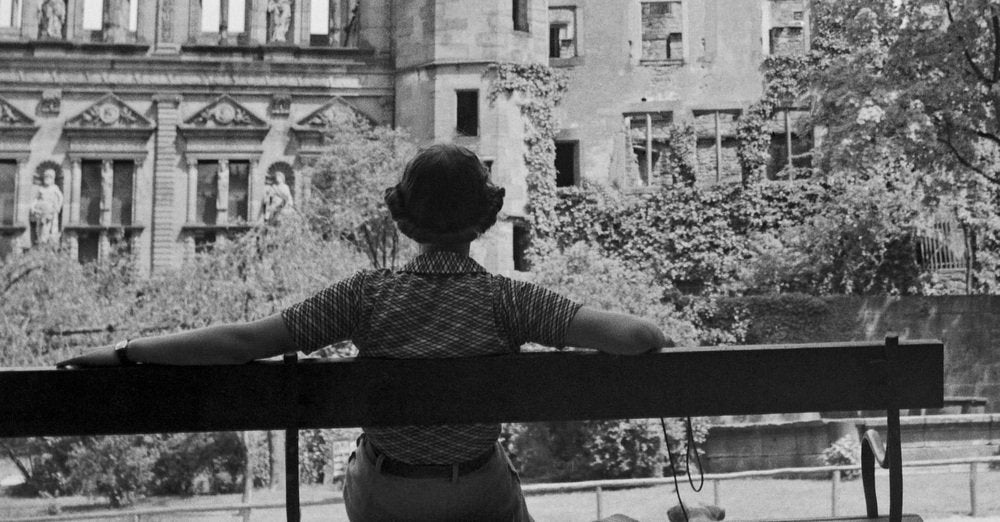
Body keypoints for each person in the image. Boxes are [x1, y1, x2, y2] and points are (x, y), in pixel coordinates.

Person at [57, 143, 672, 521]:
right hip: (476, 495)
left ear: (405, 222)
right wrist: (649, 331)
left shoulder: (366, 295)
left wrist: (126, 350)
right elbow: (635, 336)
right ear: (483, 222)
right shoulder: (507, 299)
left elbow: (244, 340)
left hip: (385, 498)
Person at [30, 168, 63, 245]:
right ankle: (39, 240)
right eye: (46, 176)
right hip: (40, 212)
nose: (47, 178)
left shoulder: (54, 188)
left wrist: (58, 207)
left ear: (53, 179)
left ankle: (46, 242)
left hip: (50, 212)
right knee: (39, 228)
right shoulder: (41, 188)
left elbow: (60, 197)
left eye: (49, 177)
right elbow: (35, 199)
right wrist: (32, 207)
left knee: (47, 227)